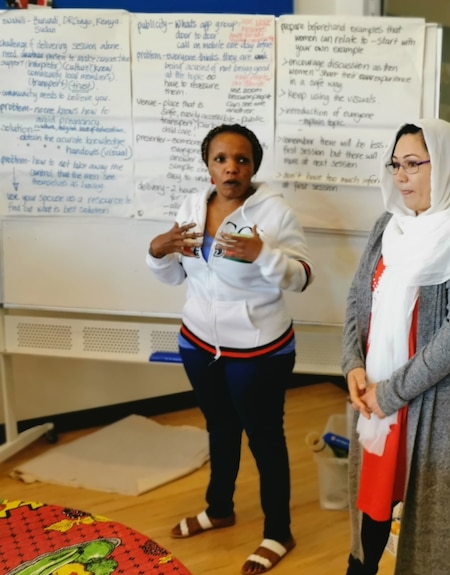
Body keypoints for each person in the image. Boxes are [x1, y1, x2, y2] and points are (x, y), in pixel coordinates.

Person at [341, 118, 450, 575]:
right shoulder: (389, 226)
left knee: (431, 533)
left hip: (427, 408)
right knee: (371, 516)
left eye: (414, 163)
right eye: (396, 164)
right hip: (377, 402)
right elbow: (360, 299)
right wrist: (352, 365)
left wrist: (390, 392)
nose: (400, 176)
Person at [146, 124, 313, 575]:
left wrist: (263, 254)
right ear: (208, 164)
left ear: (253, 166)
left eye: (241, 160)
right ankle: (219, 509)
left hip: (259, 350)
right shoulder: (191, 207)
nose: (231, 168)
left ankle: (279, 531)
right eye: (221, 159)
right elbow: (178, 276)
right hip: (198, 343)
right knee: (219, 428)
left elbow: (302, 276)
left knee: (264, 438)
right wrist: (156, 252)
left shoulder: (274, 213)